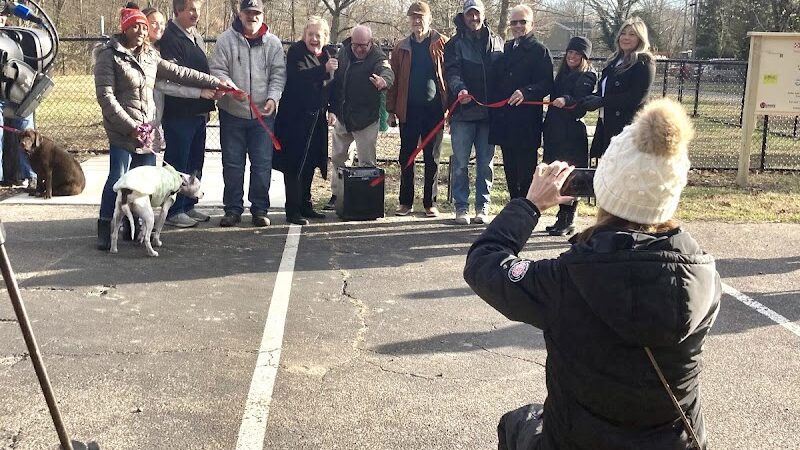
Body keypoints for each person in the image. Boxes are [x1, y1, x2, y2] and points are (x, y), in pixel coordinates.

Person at [464, 98, 720, 450]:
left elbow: (484, 264)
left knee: (517, 423)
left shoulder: (565, 279)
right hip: (676, 442)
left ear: (604, 188)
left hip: (576, 441)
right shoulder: (704, 276)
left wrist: (530, 204)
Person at [93, 4, 224, 250]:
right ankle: (105, 224)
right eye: (136, 26)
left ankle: (137, 228)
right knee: (119, 179)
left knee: (146, 183)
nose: (142, 31)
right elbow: (106, 98)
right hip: (123, 131)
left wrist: (215, 82)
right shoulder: (108, 56)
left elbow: (180, 72)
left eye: (144, 26)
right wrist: (131, 126)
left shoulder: (151, 55)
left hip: (147, 131)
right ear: (125, 29)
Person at [210, 0, 286, 227]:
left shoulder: (273, 43)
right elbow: (218, 69)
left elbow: (278, 74)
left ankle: (260, 209)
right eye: (248, 13)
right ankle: (232, 209)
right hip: (232, 113)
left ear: (262, 15)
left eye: (256, 13)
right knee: (233, 164)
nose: (252, 17)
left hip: (263, 115)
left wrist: (273, 97)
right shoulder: (225, 40)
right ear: (240, 14)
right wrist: (232, 90)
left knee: (262, 164)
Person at [444, 0, 503, 225]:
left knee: (485, 164)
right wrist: (460, 90)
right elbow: (452, 71)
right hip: (463, 113)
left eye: (477, 14)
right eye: (470, 15)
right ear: (464, 16)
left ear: (483, 15)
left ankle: (482, 206)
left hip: (489, 114)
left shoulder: (498, 41)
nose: (474, 18)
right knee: (460, 163)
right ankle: (461, 207)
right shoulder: (454, 44)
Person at [387, 1, 448, 218]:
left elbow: (448, 78)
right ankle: (405, 202)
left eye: (420, 16)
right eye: (413, 17)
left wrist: (449, 107)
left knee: (432, 158)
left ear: (429, 19)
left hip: (434, 112)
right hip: (408, 111)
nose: (416, 20)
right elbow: (392, 81)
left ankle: (430, 203)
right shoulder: (401, 47)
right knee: (407, 156)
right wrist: (391, 110)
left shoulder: (442, 44)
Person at [323, 24, 394, 211]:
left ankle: (367, 198)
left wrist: (383, 80)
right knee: (338, 158)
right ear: (351, 42)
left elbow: (387, 70)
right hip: (344, 115)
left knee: (367, 163)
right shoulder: (343, 53)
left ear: (370, 43)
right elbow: (334, 80)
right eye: (357, 45)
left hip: (366, 119)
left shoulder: (378, 57)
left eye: (364, 45)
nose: (360, 49)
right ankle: (337, 195)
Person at [159, 0, 216, 227]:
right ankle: (173, 210)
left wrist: (210, 97)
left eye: (198, 10)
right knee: (177, 164)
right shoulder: (170, 38)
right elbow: (176, 76)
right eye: (191, 9)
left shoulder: (196, 37)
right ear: (178, 10)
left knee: (195, 162)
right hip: (179, 113)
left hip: (199, 113)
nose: (196, 14)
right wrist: (199, 92)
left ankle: (188, 205)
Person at [274, 16, 335, 225]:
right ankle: (293, 209)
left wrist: (333, 109)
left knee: (310, 163)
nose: (314, 39)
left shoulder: (327, 55)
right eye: (311, 34)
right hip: (295, 119)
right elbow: (299, 78)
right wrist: (324, 70)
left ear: (325, 37)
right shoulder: (297, 52)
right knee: (294, 164)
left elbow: (333, 87)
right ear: (304, 35)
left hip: (316, 119)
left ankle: (306, 204)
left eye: (318, 35)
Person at [490, 4, 553, 202]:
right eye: (514, 22)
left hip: (526, 122)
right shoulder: (506, 48)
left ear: (532, 24)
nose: (518, 26)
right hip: (506, 120)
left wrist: (527, 92)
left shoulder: (540, 51)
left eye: (522, 22)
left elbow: (547, 84)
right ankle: (513, 207)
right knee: (509, 168)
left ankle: (524, 210)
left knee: (526, 170)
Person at [541, 36, 596, 236]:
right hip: (555, 130)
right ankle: (561, 217)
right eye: (570, 53)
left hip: (571, 132)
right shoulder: (562, 74)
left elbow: (581, 97)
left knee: (571, 176)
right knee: (556, 173)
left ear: (584, 57)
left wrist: (566, 99)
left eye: (577, 54)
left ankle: (569, 218)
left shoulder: (588, 75)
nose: (572, 57)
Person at [583, 16, 656, 160]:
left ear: (640, 39)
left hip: (628, 128)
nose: (626, 38)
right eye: (623, 33)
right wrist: (594, 98)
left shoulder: (644, 62)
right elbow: (607, 91)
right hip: (606, 124)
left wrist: (602, 101)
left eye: (632, 34)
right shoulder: (614, 61)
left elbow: (636, 97)